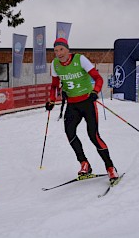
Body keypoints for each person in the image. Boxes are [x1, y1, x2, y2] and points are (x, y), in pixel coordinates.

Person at [45, 38, 119, 183]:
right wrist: (52, 100)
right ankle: (84, 163)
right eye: (55, 50)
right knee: (70, 133)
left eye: (61, 49)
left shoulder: (80, 59)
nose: (58, 53)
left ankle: (110, 167)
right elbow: (54, 85)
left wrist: (95, 91)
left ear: (67, 49)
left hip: (87, 103)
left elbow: (98, 78)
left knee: (93, 136)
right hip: (72, 105)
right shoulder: (55, 64)